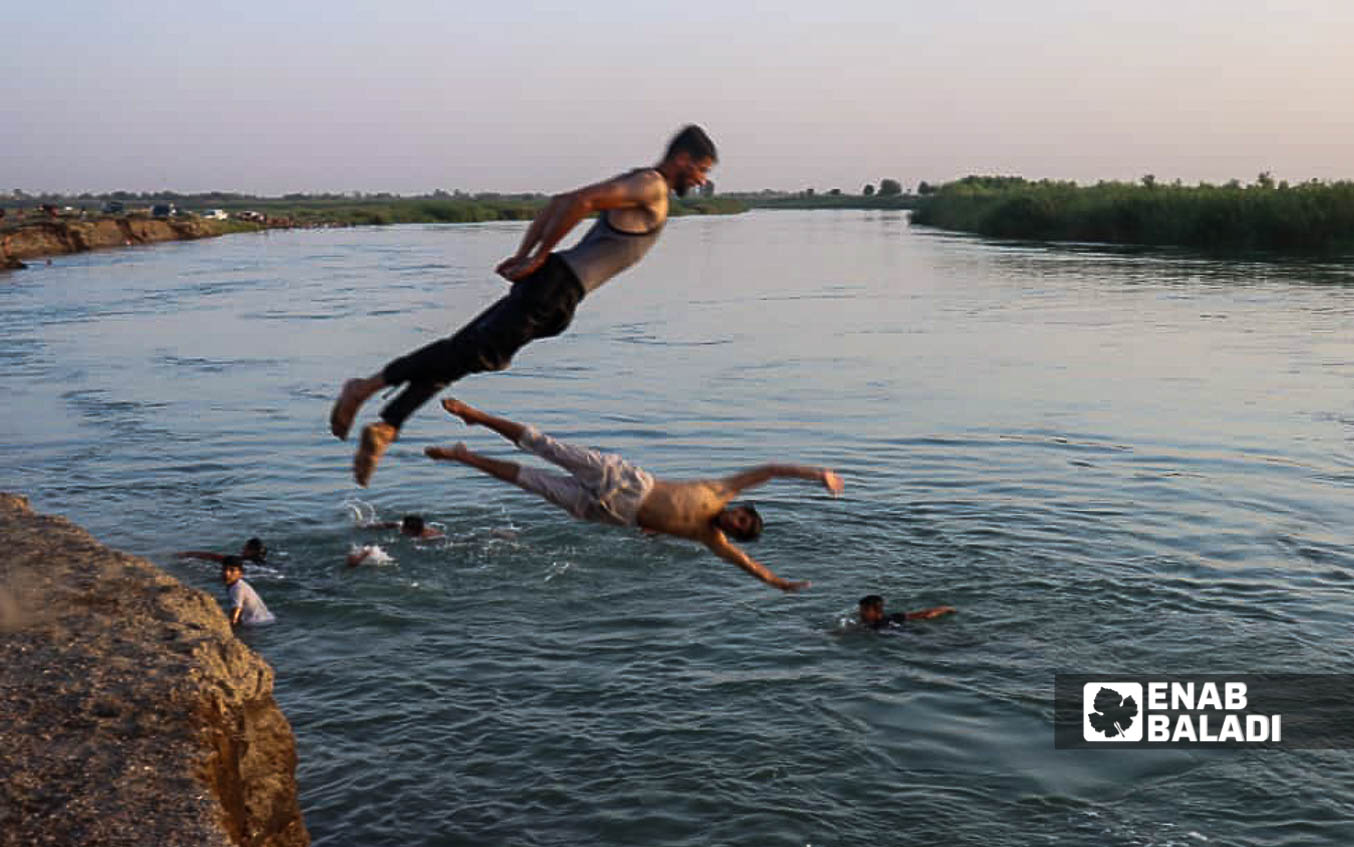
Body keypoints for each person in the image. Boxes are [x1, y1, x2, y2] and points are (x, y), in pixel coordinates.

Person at [329, 125, 719, 486]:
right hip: (557, 288)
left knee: (461, 354)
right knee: (470, 354)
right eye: (701, 169)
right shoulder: (651, 186)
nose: (702, 180)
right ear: (682, 159)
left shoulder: (642, 180)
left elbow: (561, 201)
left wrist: (528, 255)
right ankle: (363, 389)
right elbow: (577, 202)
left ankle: (388, 425)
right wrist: (536, 256)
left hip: (557, 287)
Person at [425, 397, 842, 591]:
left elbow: (751, 567)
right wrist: (817, 474)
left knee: (528, 481)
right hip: (624, 481)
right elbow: (771, 470)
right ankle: (476, 416)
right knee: (545, 445)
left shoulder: (708, 538)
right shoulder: (720, 491)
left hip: (606, 513)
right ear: (738, 508)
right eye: (742, 516)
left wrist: (781, 584)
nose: (735, 522)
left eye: (741, 528)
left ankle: (465, 457)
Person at [222, 556, 275, 625]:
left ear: (240, 574)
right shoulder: (237, 585)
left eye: (232, 570)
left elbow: (235, 613)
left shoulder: (237, 588)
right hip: (265, 619)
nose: (227, 573)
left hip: (258, 622)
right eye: (224, 569)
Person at [857, 594, 955, 630]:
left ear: (877, 611)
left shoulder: (873, 627)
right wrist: (944, 609)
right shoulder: (894, 616)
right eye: (861, 609)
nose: (861, 613)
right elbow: (924, 615)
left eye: (865, 610)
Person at [179, 538, 268, 565]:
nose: (242, 549)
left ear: (252, 551)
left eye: (245, 548)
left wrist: (187, 554)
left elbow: (212, 556)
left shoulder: (240, 561)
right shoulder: (264, 563)